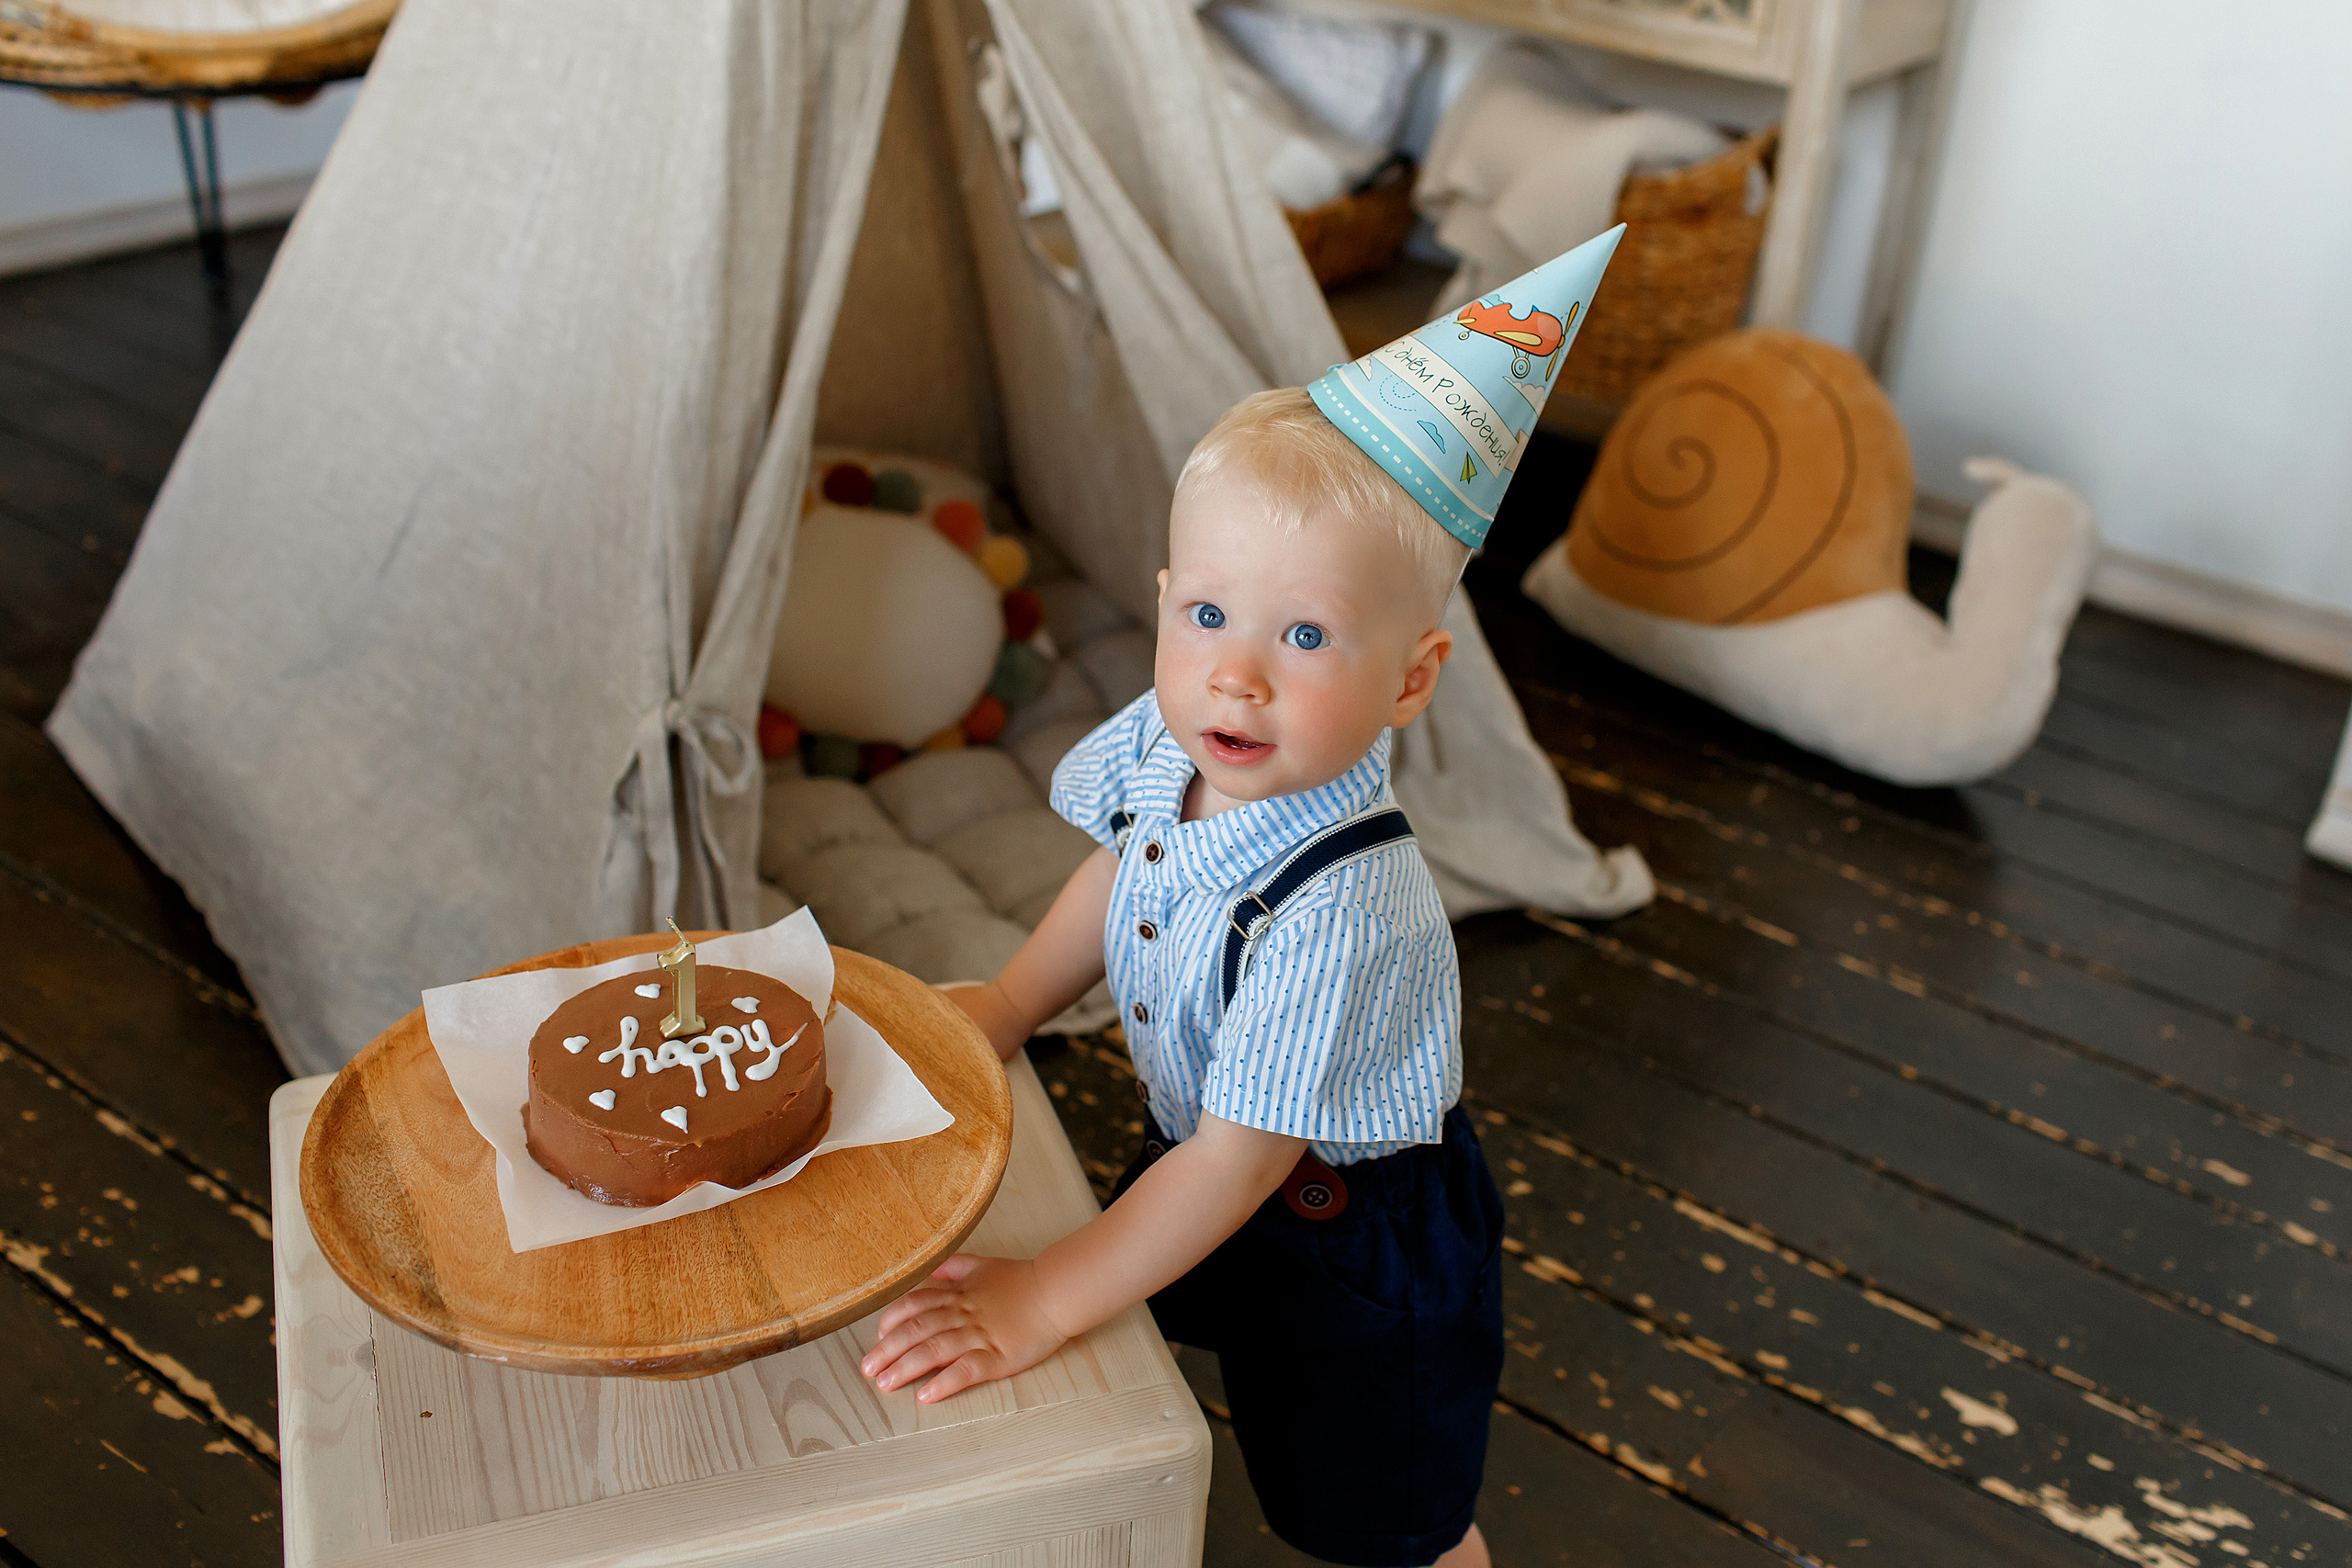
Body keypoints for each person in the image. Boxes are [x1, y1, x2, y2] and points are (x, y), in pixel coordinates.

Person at [863, 230, 1623, 1568]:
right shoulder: (1180, 742)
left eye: (1308, 636)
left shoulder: (1348, 906)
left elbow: (1242, 1157)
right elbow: (1127, 866)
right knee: (1165, 1359)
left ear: (1411, 676)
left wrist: (1043, 1296)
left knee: (1378, 1509)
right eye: (1208, 615)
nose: (1238, 677)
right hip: (1201, 1154)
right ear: (1163, 601)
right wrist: (1012, 997)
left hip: (1349, 1235)